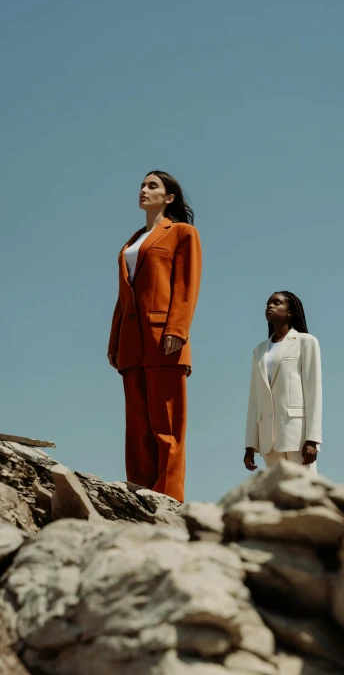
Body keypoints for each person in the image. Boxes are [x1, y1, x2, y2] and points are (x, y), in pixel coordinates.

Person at [108, 171, 202, 503]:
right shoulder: (131, 241)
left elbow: (186, 286)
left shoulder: (182, 233)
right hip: (132, 345)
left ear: (169, 197)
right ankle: (139, 497)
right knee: (137, 430)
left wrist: (177, 330)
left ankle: (169, 501)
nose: (143, 190)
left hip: (165, 339)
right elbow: (123, 297)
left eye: (152, 186)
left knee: (167, 429)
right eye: (142, 185)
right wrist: (114, 341)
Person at [244, 291, 322, 474]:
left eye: (277, 303)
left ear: (290, 312)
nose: (270, 306)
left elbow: (314, 392)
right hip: (267, 440)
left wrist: (312, 439)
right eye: (268, 304)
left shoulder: (306, 342)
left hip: (297, 436)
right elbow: (255, 399)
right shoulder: (259, 351)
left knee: (305, 492)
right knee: (278, 496)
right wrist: (250, 445)